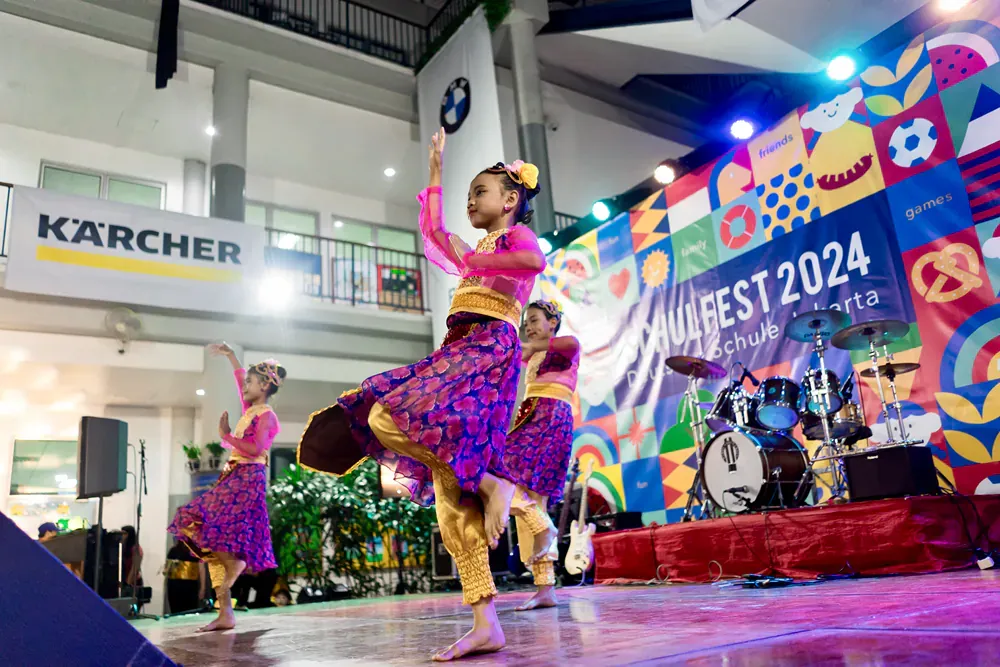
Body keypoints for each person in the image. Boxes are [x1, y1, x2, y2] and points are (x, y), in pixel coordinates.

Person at [298, 128, 545, 661]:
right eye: (468, 192)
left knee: (387, 414)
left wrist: (477, 263)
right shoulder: (478, 248)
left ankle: (493, 478)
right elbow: (433, 228)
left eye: (480, 191)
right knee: (450, 500)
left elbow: (534, 264)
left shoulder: (512, 240)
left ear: (509, 200)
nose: (470, 200)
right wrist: (435, 170)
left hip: (486, 349)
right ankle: (486, 621)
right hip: (456, 349)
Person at [168, 343, 283, 632]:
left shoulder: (267, 415)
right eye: (245, 382)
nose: (245, 386)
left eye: (251, 383)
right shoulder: (251, 409)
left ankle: (236, 570)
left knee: (212, 528)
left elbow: (255, 447)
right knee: (207, 532)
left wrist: (227, 436)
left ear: (266, 385)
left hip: (248, 477)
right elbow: (239, 377)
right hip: (234, 474)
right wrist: (231, 356)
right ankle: (225, 612)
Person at [504, 301, 579, 611]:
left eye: (534, 320)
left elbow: (526, 348)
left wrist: (518, 343)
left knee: (501, 478)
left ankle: (543, 533)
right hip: (532, 414)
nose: (529, 326)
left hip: (549, 415)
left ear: (553, 321)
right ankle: (545, 588)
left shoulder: (568, 344)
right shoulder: (533, 353)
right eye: (526, 323)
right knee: (533, 501)